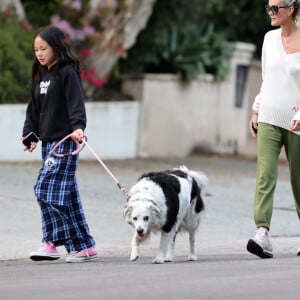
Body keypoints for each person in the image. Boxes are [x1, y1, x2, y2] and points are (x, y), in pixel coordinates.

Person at [22, 26, 98, 263]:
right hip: (48, 145)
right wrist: (29, 135)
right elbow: (34, 110)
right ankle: (84, 245)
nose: (39, 53)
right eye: (36, 49)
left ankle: (51, 242)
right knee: (67, 196)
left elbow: (76, 103)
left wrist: (79, 127)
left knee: (45, 190)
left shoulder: (67, 72)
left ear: (56, 47)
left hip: (66, 142)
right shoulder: (40, 76)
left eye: (43, 48)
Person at [247, 0, 300, 258]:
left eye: (275, 8)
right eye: (268, 7)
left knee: (299, 182)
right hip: (269, 115)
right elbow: (266, 79)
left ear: (290, 9)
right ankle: (262, 233)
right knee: (265, 175)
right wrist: (257, 108)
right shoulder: (269, 39)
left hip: (296, 120)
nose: (270, 13)